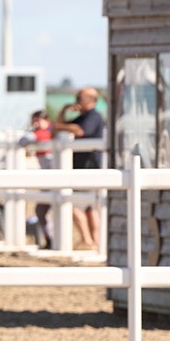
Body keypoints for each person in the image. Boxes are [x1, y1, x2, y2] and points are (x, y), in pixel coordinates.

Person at [53, 87, 105, 249]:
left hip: (89, 167)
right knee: (89, 207)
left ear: (91, 100)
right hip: (82, 167)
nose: (76, 101)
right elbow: (58, 125)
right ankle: (92, 241)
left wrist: (62, 127)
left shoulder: (93, 116)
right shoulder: (82, 117)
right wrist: (64, 109)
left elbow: (80, 131)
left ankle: (89, 240)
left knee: (75, 205)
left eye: (79, 98)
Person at [20, 110, 55, 248]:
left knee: (47, 209)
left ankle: (52, 239)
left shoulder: (48, 132)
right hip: (49, 179)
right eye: (33, 121)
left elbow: (26, 140)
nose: (35, 124)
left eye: (37, 121)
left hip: (53, 178)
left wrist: (32, 135)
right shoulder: (46, 132)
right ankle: (50, 239)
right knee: (41, 210)